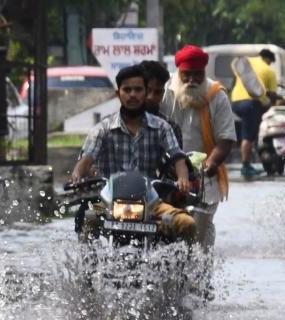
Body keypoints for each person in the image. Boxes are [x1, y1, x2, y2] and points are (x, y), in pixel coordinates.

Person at [70, 65, 195, 243]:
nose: (132, 95)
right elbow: (87, 158)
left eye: (138, 89)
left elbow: (177, 156)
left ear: (145, 93)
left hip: (152, 203)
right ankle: (87, 268)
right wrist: (76, 175)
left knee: (186, 223)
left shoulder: (162, 127)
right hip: (108, 203)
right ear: (118, 93)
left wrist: (183, 178)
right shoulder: (103, 128)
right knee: (88, 218)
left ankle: (184, 269)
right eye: (127, 90)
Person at [161, 45, 236, 247]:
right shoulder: (164, 91)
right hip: (165, 174)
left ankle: (200, 270)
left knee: (199, 235)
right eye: (186, 75)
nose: (192, 80)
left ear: (204, 72)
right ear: (178, 72)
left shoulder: (216, 95)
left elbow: (226, 138)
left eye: (197, 75)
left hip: (203, 177)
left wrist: (211, 163)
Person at [230, 49, 278, 178]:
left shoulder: (247, 62)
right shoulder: (269, 71)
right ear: (268, 59)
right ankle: (246, 165)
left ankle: (247, 159)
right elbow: (273, 95)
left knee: (246, 131)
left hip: (235, 102)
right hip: (251, 103)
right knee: (248, 135)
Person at [138, 59, 183, 146]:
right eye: (147, 90)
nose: (151, 97)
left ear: (163, 93)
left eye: (157, 92)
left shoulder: (171, 128)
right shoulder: (114, 127)